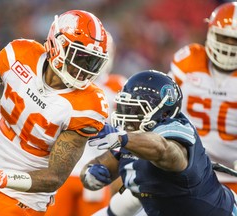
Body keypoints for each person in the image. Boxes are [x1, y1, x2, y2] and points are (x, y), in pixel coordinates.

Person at [0, 9, 110, 216]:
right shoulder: (22, 54)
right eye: (79, 56)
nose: (84, 68)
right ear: (56, 44)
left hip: (23, 198)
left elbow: (55, 176)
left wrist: (3, 178)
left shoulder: (89, 105)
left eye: (90, 61)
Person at [80, 70, 237, 216]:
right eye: (126, 108)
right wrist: (90, 174)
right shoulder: (133, 139)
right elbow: (102, 163)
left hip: (218, 212)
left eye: (136, 110)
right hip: (163, 207)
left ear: (165, 113)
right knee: (125, 201)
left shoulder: (176, 131)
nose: (127, 116)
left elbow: (162, 149)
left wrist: (122, 138)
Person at [45, 31, 127, 216]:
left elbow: (126, 133)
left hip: (94, 171)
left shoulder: (118, 86)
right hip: (63, 172)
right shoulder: (62, 83)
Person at [168, 2, 237, 193]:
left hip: (233, 176)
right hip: (188, 170)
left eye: (235, 41)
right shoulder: (189, 61)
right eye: (225, 38)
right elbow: (162, 107)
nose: (229, 47)